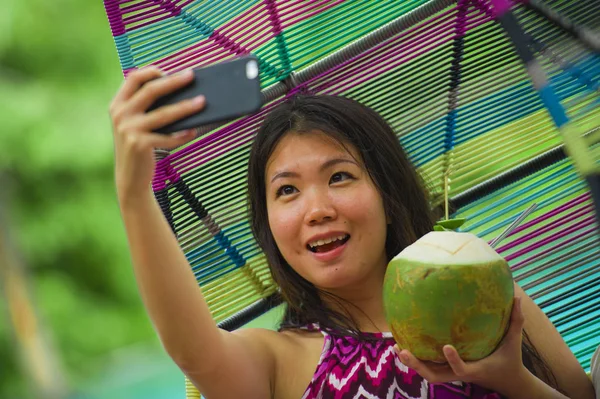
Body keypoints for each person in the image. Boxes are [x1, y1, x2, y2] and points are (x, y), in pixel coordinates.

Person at [109, 67, 595, 399]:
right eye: (287, 191)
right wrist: (133, 190)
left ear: (388, 195)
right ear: (269, 228)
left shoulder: (498, 308)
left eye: (340, 177)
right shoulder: (277, 361)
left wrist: (514, 380)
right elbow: (190, 347)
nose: (317, 209)